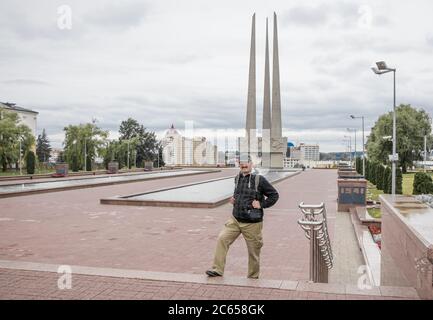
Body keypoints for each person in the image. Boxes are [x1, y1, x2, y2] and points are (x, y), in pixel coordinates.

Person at [205, 157, 279, 279]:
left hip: (252, 223)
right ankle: (217, 269)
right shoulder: (237, 178)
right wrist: (234, 199)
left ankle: (252, 278)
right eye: (241, 163)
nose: (243, 165)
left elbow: (274, 195)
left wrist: (261, 204)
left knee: (253, 252)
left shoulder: (259, 180)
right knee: (222, 239)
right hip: (235, 220)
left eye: (246, 163)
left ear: (251, 164)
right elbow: (239, 193)